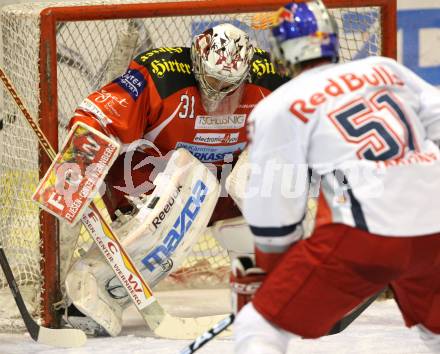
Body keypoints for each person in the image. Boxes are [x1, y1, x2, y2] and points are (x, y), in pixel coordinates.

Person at [233, 1, 440, 353]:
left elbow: (276, 207)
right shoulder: (385, 69)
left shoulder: (280, 105)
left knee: (260, 325)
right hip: (435, 225)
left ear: (281, 50)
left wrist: (274, 270)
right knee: (435, 328)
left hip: (364, 238)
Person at [62, 23, 288, 336]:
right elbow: (96, 117)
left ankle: (273, 286)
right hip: (150, 180)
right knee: (194, 183)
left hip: (223, 183)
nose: (220, 89)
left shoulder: (268, 79)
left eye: (230, 83)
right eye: (213, 78)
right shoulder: (161, 73)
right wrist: (78, 166)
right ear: (197, 63)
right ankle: (98, 288)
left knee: (267, 177)